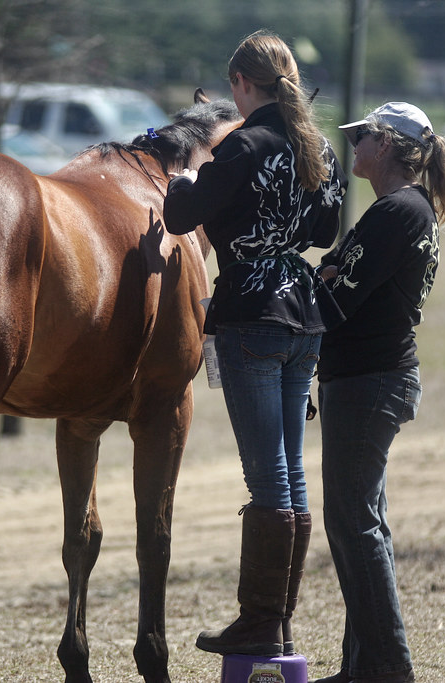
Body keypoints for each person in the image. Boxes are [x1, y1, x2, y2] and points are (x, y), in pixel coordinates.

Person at [163, 29, 346, 657]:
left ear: (243, 84)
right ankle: (279, 619)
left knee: (267, 475)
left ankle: (261, 620)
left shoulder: (243, 144)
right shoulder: (317, 146)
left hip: (251, 313)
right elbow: (325, 229)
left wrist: (187, 175)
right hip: (303, 312)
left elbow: (181, 217)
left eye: (233, 88)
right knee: (291, 473)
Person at [309, 102, 445, 683]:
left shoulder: (397, 211)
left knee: (354, 522)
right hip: (370, 379)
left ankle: (388, 670)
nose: (353, 147)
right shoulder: (403, 209)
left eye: (361, 138)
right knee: (361, 519)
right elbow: (342, 283)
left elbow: (336, 300)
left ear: (388, 145)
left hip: (369, 380)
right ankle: (362, 668)